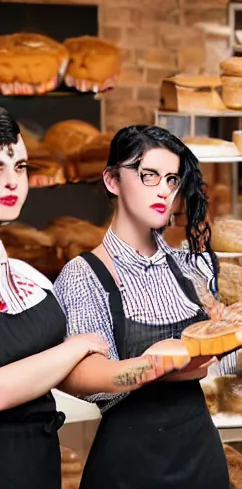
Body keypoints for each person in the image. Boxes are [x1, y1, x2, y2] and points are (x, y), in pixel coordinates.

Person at [54, 126, 242, 489]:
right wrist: (150, 367)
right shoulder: (83, 275)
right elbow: (78, 379)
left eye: (171, 179)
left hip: (199, 452)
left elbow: (222, 342)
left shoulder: (188, 266)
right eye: (148, 175)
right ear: (112, 180)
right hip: (131, 464)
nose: (164, 190)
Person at [0, 107, 117, 489]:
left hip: (36, 468)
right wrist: (74, 348)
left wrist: (151, 369)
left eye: (19, 167)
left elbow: (66, 375)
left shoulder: (25, 277)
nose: (12, 182)